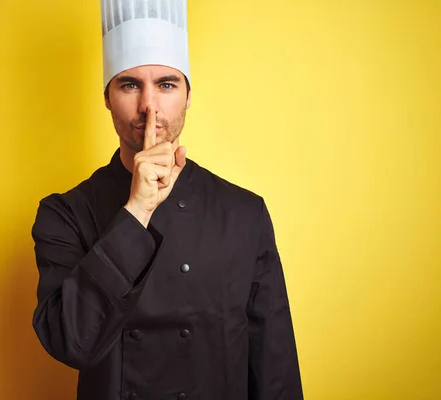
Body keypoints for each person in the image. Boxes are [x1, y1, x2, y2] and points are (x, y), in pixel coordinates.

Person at [32, 1, 303, 399]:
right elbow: (69, 341)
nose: (149, 106)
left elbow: (274, 364)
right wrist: (136, 210)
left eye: (167, 84)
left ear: (188, 95)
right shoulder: (64, 213)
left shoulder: (244, 212)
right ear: (107, 97)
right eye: (129, 85)